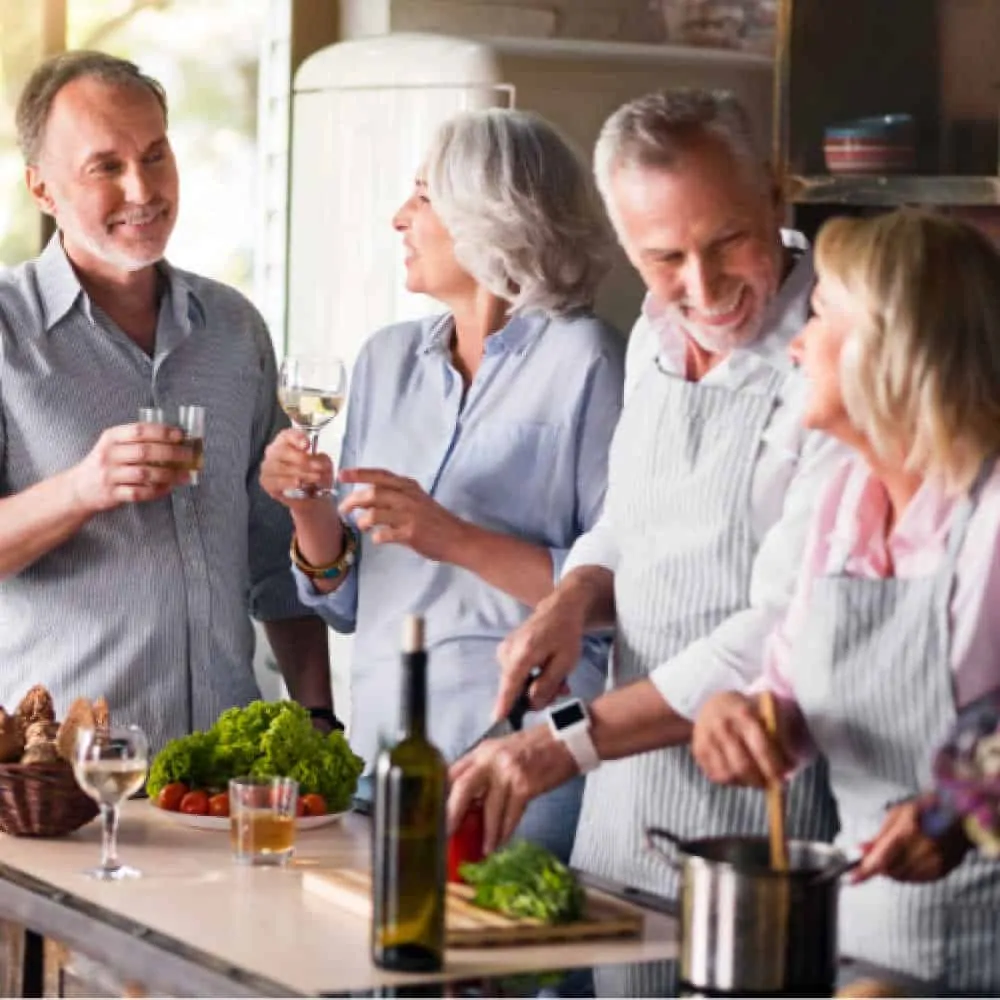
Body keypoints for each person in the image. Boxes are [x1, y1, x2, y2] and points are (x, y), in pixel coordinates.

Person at [447, 89, 843, 893]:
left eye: (729, 240)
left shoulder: (841, 356)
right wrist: (573, 596)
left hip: (763, 826)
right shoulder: (653, 344)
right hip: (623, 816)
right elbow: (628, 523)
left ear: (774, 191)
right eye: (664, 260)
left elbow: (782, 628)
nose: (704, 287)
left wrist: (564, 743)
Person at [259, 108, 624, 860]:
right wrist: (307, 509)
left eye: (422, 196)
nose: (400, 217)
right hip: (384, 757)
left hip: (522, 770)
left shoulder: (588, 361)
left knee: (515, 974)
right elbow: (348, 597)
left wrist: (451, 536)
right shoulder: (386, 359)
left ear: (490, 214)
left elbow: (615, 598)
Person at [692, 209, 1000, 993]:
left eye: (821, 315)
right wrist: (743, 718)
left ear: (891, 346)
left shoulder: (992, 516)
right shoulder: (843, 502)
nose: (795, 343)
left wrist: (966, 814)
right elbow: (788, 701)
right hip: (866, 956)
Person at [0, 51, 332, 753]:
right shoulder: (7, 332)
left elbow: (275, 561)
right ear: (42, 188)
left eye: (155, 155)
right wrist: (81, 490)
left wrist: (318, 720)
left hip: (217, 778)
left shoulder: (234, 328)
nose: (142, 189)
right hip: (58, 782)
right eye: (106, 167)